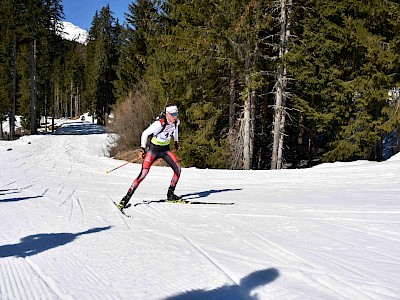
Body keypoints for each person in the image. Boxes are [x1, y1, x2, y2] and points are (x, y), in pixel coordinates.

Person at [117, 105, 182, 210]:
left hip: (165, 149)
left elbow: (175, 130)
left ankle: (170, 195)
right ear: (167, 114)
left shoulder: (176, 122)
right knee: (143, 174)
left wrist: (176, 141)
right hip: (154, 150)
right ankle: (125, 199)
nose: (175, 117)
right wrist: (142, 149)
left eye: (176, 114)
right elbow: (145, 134)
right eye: (173, 115)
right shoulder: (159, 123)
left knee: (178, 170)